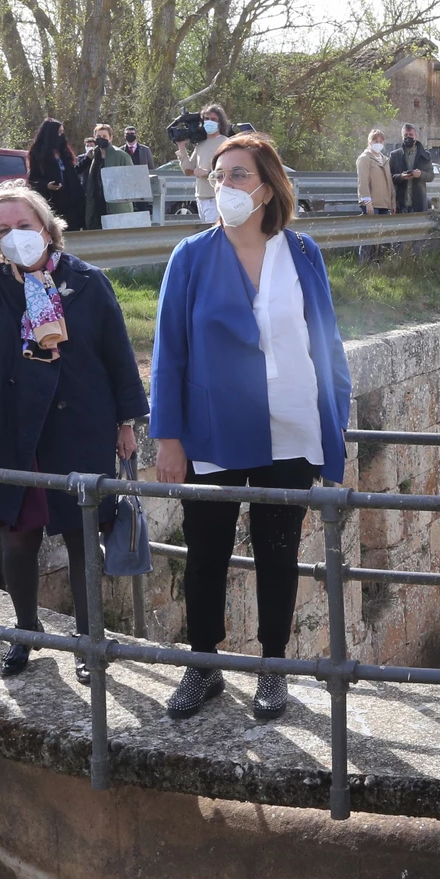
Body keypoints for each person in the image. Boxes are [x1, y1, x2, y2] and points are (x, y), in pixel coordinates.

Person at [150, 131, 351, 721]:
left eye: (236, 174)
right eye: (218, 175)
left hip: (291, 429)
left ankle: (273, 667)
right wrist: (168, 437)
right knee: (206, 552)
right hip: (214, 430)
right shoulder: (190, 256)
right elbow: (169, 354)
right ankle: (203, 665)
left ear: (267, 185)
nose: (223, 186)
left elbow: (327, 344)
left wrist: (333, 429)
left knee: (279, 552)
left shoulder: (303, 253)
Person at [0, 181, 146, 679]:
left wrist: (127, 422)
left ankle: (88, 641)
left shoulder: (87, 279)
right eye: (4, 229)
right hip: (15, 427)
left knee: (81, 537)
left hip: (79, 422)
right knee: (17, 537)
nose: (17, 236)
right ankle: (25, 633)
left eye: (25, 225)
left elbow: (117, 354)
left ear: (47, 227)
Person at [174, 104, 229, 224]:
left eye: (214, 119)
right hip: (200, 198)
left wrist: (208, 173)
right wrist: (181, 147)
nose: (209, 122)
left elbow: (229, 172)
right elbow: (188, 170)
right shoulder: (201, 144)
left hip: (215, 199)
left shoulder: (225, 143)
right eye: (207, 119)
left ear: (220, 123)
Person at [27, 119, 85, 230]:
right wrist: (46, 185)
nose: (61, 135)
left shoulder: (64, 151)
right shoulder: (37, 152)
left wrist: (87, 159)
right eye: (59, 132)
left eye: (62, 132)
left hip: (72, 200)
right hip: (53, 202)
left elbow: (73, 172)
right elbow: (33, 179)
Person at [80, 123, 135, 230]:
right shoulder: (93, 156)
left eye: (104, 136)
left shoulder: (121, 156)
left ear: (110, 138)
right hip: (96, 206)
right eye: (98, 136)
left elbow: (131, 182)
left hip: (116, 208)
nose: (101, 139)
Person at [388, 123, 436, 213]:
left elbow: (431, 176)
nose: (408, 137)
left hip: (419, 203)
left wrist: (421, 174)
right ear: (402, 136)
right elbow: (389, 177)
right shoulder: (394, 155)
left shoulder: (425, 155)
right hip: (400, 203)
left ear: (416, 136)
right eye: (405, 135)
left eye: (411, 135)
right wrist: (400, 177)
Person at [356, 129, 395, 215]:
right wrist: (367, 202)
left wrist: (392, 202)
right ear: (369, 142)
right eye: (375, 141)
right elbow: (363, 181)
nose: (378, 144)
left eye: (381, 141)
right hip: (371, 205)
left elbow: (389, 181)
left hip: (385, 205)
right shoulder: (364, 158)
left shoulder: (385, 160)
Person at [123, 126, 154, 216]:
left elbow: (151, 168)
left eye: (132, 134)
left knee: (143, 211)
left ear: (136, 135)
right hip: (126, 186)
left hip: (141, 186)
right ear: (124, 136)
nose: (130, 135)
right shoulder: (121, 150)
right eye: (127, 134)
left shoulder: (145, 150)